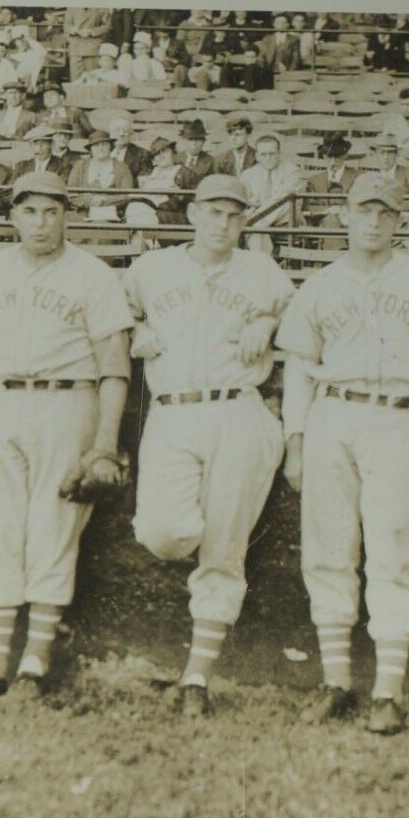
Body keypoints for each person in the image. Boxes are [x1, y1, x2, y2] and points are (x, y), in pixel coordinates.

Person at [275, 175, 409, 736]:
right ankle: (337, 681)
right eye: (364, 211)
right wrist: (295, 439)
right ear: (345, 216)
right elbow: (296, 370)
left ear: (399, 221)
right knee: (328, 548)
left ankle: (389, 690)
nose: (374, 221)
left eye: (386, 213)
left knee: (394, 550)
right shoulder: (320, 284)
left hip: (402, 416)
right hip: (332, 412)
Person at [0, 171, 133, 702]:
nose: (41, 222)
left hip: (68, 401)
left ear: (66, 215)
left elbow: (115, 367)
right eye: (29, 211)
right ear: (12, 216)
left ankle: (34, 665)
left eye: (51, 211)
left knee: (54, 529)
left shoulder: (93, 276)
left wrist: (102, 445)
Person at [122, 176, 292, 715]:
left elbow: (300, 315)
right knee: (162, 531)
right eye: (214, 212)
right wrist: (133, 332)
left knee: (224, 553)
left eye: (234, 215)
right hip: (173, 410)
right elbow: (113, 311)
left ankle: (197, 677)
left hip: (237, 408)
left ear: (245, 222)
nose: (223, 223)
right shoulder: (152, 268)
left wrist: (268, 320)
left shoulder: (263, 272)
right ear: (193, 213)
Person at [238, 134, 307, 239]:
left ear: (279, 153)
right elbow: (244, 203)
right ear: (256, 156)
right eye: (263, 154)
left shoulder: (293, 172)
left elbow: (280, 200)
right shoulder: (248, 175)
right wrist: (251, 206)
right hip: (258, 224)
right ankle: (258, 231)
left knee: (286, 202)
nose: (268, 158)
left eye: (272, 154)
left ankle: (257, 226)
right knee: (258, 233)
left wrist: (256, 213)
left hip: (287, 222)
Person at [66, 130, 136, 221]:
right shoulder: (80, 166)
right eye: (96, 145)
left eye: (105, 144)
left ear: (111, 147)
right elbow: (71, 193)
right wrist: (89, 202)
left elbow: (126, 195)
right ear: (90, 149)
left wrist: (103, 201)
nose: (101, 148)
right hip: (82, 212)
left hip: (112, 213)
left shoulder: (122, 168)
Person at [304, 132, 358, 229]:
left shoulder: (358, 177)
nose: (333, 162)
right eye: (329, 157)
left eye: (337, 157)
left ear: (345, 155)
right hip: (325, 224)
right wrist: (329, 210)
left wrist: (344, 209)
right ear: (324, 156)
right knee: (331, 220)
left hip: (352, 223)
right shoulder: (314, 181)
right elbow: (308, 207)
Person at [64, 6, 114, 79]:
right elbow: (66, 24)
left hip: (92, 48)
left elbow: (108, 26)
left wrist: (91, 31)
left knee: (91, 79)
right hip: (76, 48)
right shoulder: (72, 7)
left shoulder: (101, 7)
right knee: (75, 80)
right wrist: (72, 29)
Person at [174, 119, 215, 192]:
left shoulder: (210, 161)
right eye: (191, 139)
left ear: (203, 142)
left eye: (198, 139)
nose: (195, 144)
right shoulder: (175, 159)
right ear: (184, 140)